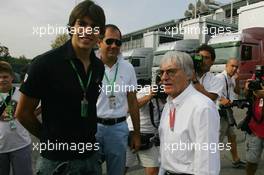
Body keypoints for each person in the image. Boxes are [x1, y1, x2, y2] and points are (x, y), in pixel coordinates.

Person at [15, 1, 106, 174]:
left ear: (99, 33)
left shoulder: (98, 66)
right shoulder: (44, 64)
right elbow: (23, 113)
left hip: (90, 158)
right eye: (82, 24)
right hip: (56, 162)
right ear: (72, 27)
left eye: (94, 26)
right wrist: (49, 139)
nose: (87, 31)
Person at [158, 51, 220, 175]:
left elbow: (207, 165)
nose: (164, 77)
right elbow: (166, 153)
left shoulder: (203, 108)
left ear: (189, 74)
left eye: (171, 71)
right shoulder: (170, 103)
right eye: (161, 72)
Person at [96, 24, 141, 175]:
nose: (114, 46)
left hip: (118, 128)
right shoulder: (90, 66)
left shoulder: (127, 68)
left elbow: (133, 102)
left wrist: (136, 133)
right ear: (99, 42)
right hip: (93, 128)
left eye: (118, 42)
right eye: (109, 41)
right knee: (90, 169)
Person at [125, 78, 166, 175]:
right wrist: (149, 96)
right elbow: (129, 108)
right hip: (133, 133)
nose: (163, 87)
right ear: (157, 83)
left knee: (153, 170)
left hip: (150, 137)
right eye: (161, 84)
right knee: (122, 167)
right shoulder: (146, 90)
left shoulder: (170, 95)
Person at [0, 61, 32, 175]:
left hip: (20, 145)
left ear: (12, 77)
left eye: (5, 76)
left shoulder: (21, 94)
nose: (2, 80)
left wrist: (27, 117)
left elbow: (38, 106)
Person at [216, 58, 246, 168]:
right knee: (217, 140)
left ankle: (236, 160)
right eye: (232, 66)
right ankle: (209, 162)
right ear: (226, 66)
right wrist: (221, 99)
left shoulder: (232, 78)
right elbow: (212, 93)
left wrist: (237, 81)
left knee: (232, 136)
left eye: (236, 67)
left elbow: (237, 92)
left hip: (228, 111)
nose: (234, 69)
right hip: (220, 113)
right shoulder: (219, 78)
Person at [244, 66, 264, 175]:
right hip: (255, 128)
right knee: (251, 162)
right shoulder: (258, 74)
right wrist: (247, 89)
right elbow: (248, 95)